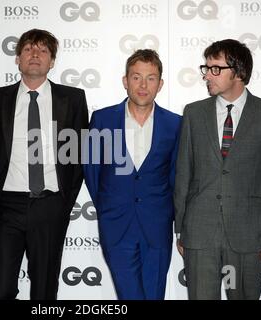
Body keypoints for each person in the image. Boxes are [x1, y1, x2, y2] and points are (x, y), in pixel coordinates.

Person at [174, 39, 261, 300]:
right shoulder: (194, 113)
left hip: (249, 233)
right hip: (199, 232)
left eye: (215, 68)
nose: (207, 75)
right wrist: (181, 228)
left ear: (238, 72)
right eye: (205, 68)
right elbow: (184, 173)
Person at [0, 29, 88, 300]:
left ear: (52, 61)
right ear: (18, 58)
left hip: (50, 206)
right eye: (29, 49)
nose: (35, 55)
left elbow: (78, 158)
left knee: (44, 291)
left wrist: (63, 202)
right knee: (0, 290)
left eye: (43, 50)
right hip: (5, 207)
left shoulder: (72, 99)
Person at [83, 49, 181, 299]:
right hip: (116, 223)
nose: (143, 85)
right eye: (136, 77)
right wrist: (108, 206)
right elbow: (92, 171)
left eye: (151, 78)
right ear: (125, 81)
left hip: (157, 225)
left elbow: (176, 177)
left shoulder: (175, 124)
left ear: (160, 84)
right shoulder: (102, 119)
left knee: (154, 294)